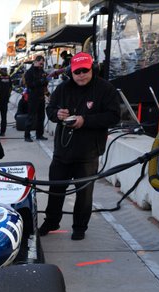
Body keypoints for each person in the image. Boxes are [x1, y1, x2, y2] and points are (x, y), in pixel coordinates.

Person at [37, 52, 119, 240]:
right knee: (55, 188)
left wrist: (86, 120)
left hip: (88, 152)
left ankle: (80, 227)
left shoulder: (105, 89)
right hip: (63, 150)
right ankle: (51, 221)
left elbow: (113, 116)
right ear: (70, 72)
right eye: (77, 72)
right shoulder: (63, 88)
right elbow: (49, 110)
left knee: (84, 193)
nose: (81, 75)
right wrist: (57, 114)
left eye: (85, 70)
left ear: (93, 69)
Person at [23, 55, 48, 142]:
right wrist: (39, 82)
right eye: (40, 63)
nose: (41, 65)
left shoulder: (41, 70)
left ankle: (39, 135)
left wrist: (45, 81)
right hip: (33, 97)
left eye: (42, 64)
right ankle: (27, 136)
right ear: (36, 62)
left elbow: (44, 83)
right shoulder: (29, 72)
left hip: (41, 97)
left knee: (41, 117)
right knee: (31, 117)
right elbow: (29, 84)